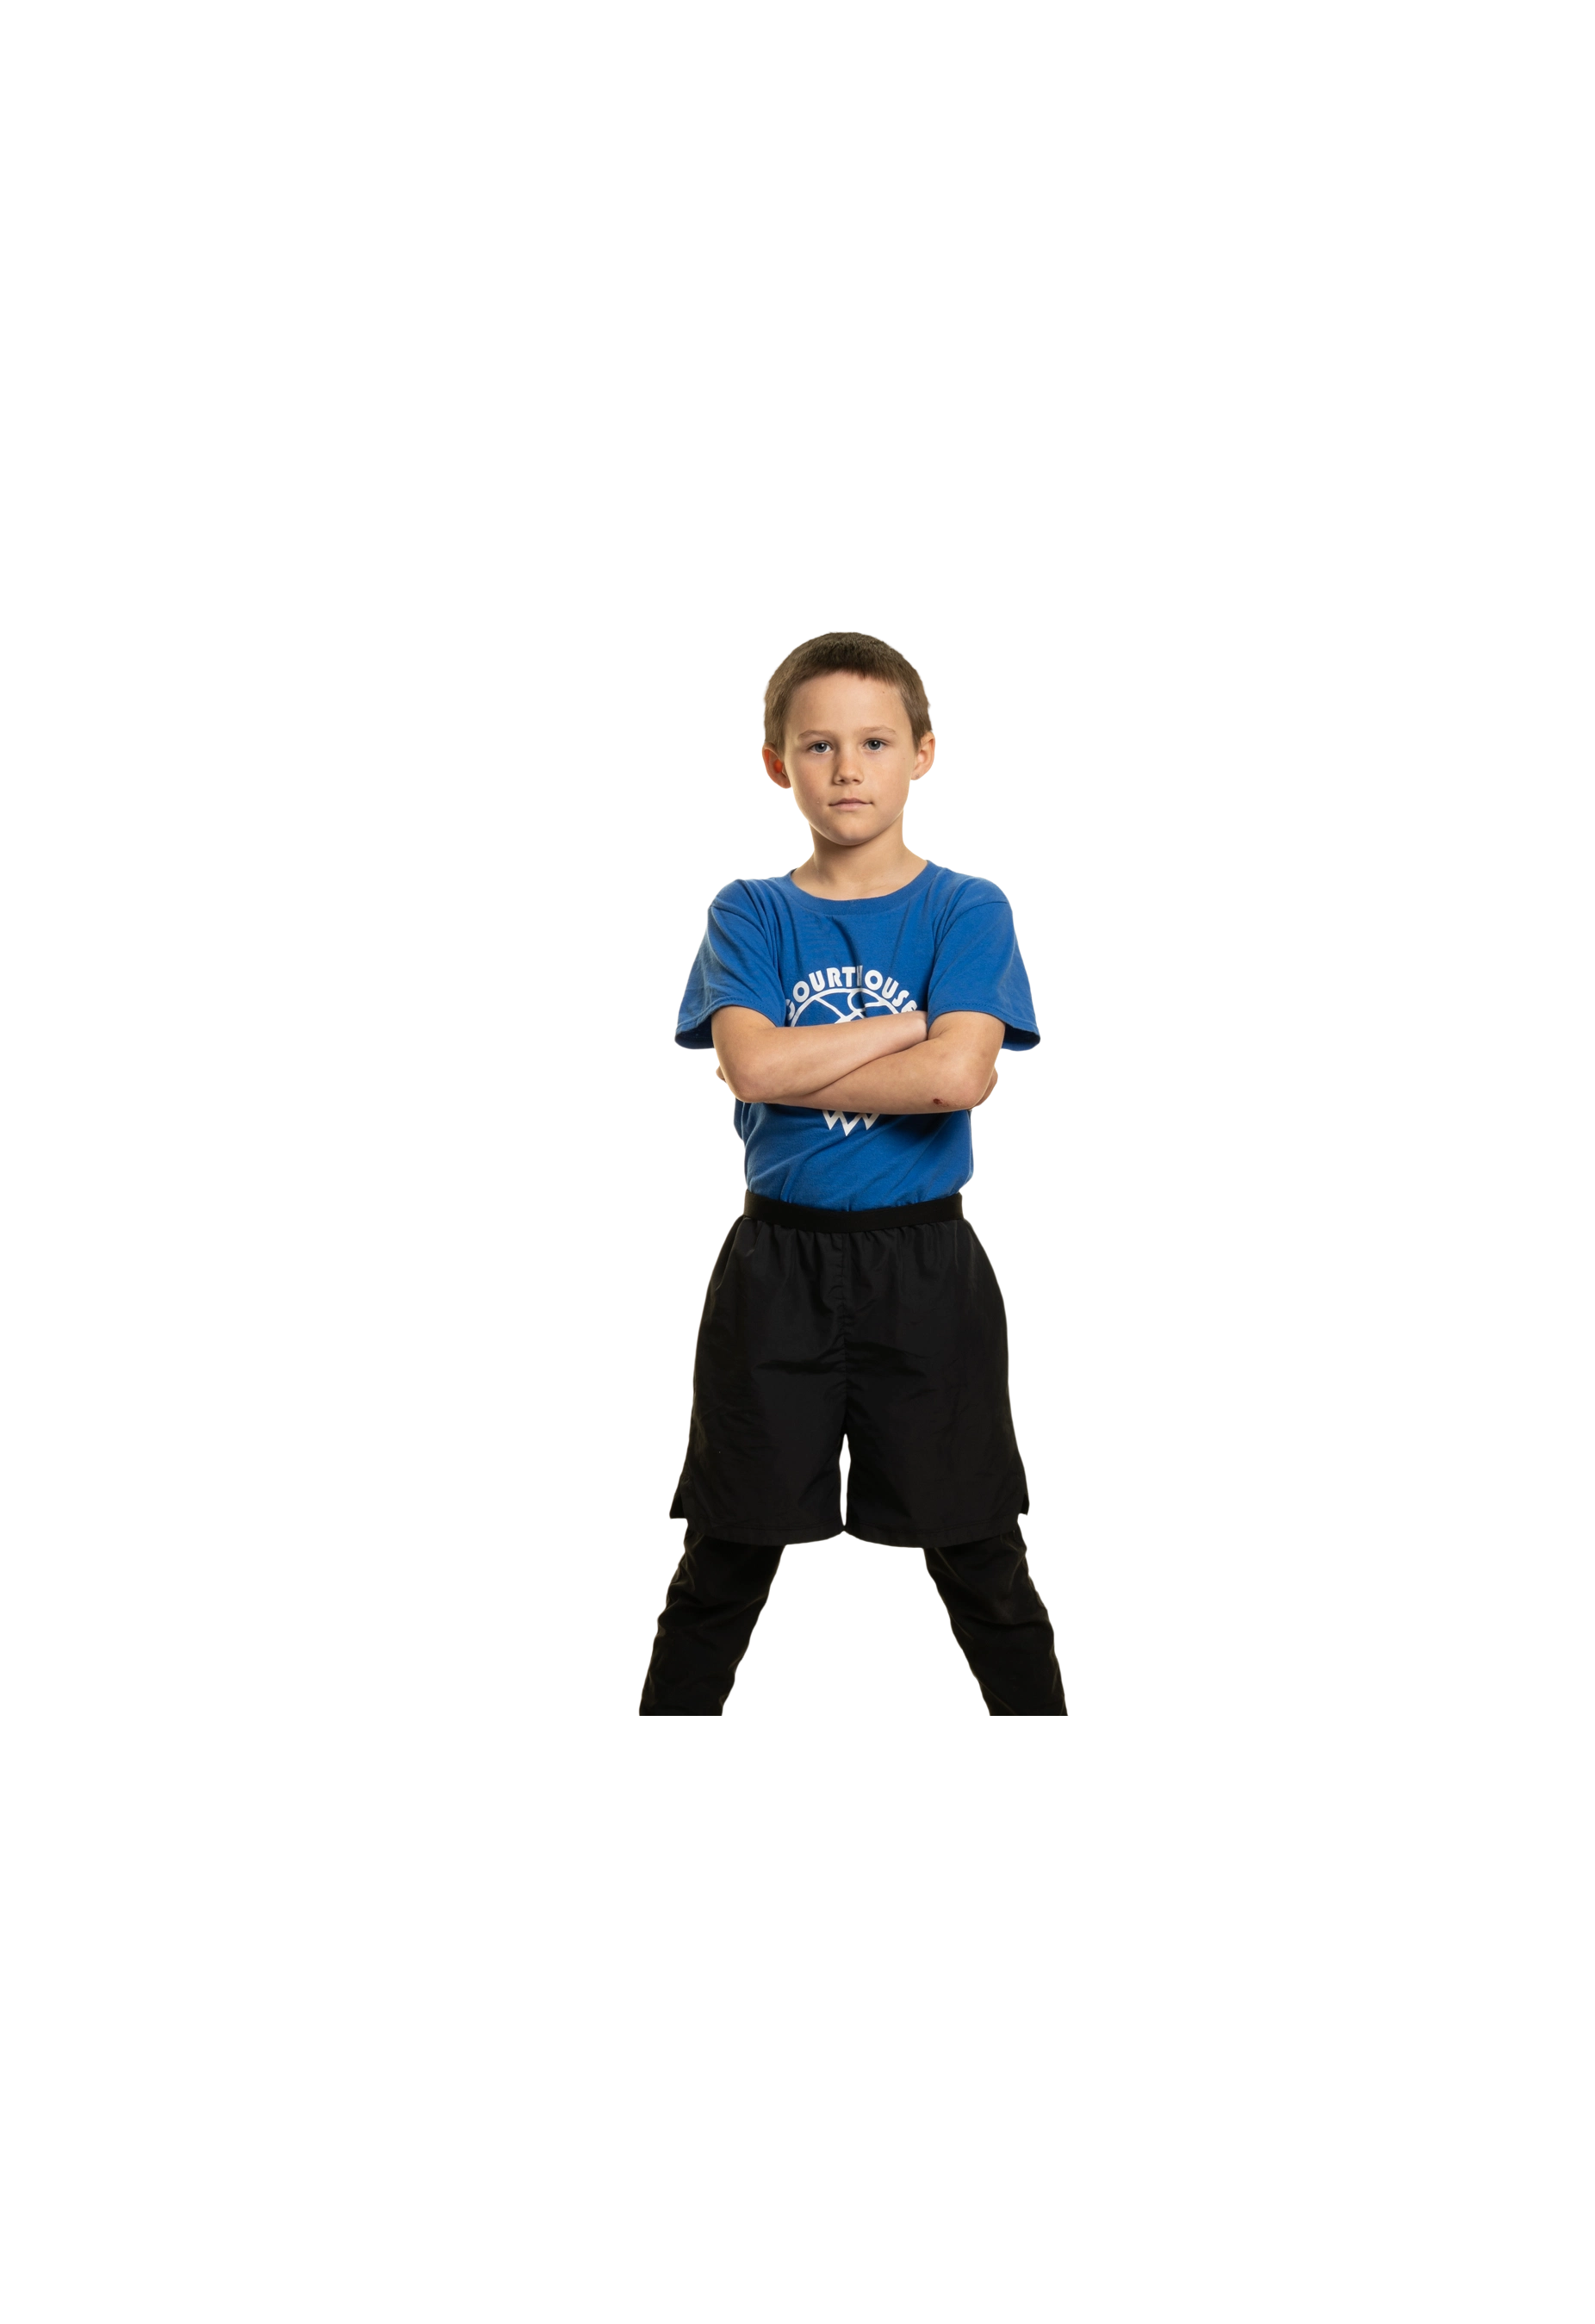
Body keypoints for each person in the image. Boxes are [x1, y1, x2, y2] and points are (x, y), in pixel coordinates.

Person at [638, 631, 1067, 1716]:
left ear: (922, 753)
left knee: (982, 1560)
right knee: (721, 1562)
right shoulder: (751, 911)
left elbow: (959, 1079)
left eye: (874, 742)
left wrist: (822, 1055)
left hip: (925, 1265)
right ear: (776, 762)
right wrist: (914, 1021)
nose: (845, 768)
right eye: (817, 744)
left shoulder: (965, 908)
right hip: (775, 1266)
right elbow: (752, 1064)